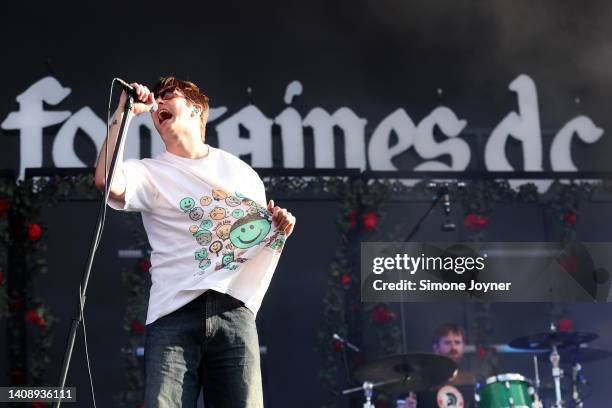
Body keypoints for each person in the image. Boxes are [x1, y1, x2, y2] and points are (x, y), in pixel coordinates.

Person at [94, 77, 296, 408]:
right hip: (172, 313)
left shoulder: (241, 173)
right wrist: (125, 112)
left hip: (234, 310)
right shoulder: (150, 172)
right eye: (155, 99)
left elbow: (258, 238)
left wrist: (281, 225)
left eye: (168, 96)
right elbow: (106, 180)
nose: (158, 102)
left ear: (195, 109)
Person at [397, 323, 476, 408]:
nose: (453, 347)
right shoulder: (418, 381)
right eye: (447, 343)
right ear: (436, 348)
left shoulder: (469, 380)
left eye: (457, 342)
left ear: (463, 347)